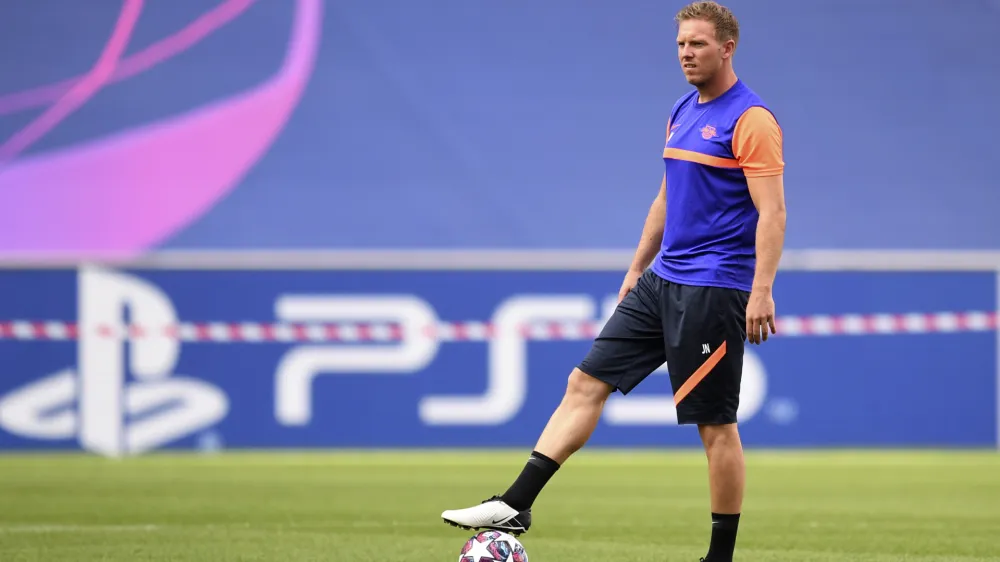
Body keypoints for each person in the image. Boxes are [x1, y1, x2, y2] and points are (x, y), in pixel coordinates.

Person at [440, 2, 786, 561]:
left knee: (715, 426)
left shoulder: (753, 120)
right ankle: (516, 502)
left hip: (712, 287)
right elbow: (667, 195)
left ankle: (719, 557)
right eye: (680, 45)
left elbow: (772, 214)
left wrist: (762, 290)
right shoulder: (682, 109)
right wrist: (636, 267)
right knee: (584, 381)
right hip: (663, 279)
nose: (686, 55)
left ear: (727, 49)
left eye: (697, 44)